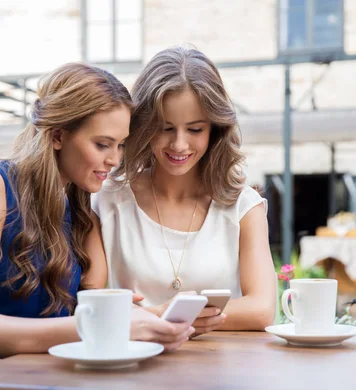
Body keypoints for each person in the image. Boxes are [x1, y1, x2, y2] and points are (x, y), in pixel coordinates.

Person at [0, 63, 193, 389]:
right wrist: (108, 325)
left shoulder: (79, 205)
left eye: (121, 145)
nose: (115, 160)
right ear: (59, 135)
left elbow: (85, 302)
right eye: (103, 144)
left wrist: (152, 318)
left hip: (46, 377)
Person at [92, 47, 277, 337]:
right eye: (165, 128)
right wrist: (167, 315)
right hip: (136, 367)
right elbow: (91, 302)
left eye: (194, 129)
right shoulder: (107, 201)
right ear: (143, 126)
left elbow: (262, 309)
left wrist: (177, 314)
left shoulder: (243, 207)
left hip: (224, 372)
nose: (179, 145)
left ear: (215, 129)